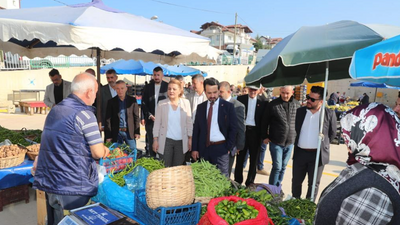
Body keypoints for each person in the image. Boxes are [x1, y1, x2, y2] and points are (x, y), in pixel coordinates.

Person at [33, 72, 110, 225]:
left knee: (56, 221)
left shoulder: (55, 110)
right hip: (73, 186)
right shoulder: (85, 114)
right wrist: (105, 150)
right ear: (89, 92)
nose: (95, 96)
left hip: (51, 182)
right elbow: (97, 152)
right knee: (74, 221)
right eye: (95, 92)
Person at [315, 103, 400, 224]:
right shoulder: (369, 168)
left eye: (349, 133)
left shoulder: (373, 192)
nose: (346, 141)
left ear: (367, 136)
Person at [291, 86, 337, 199]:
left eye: (312, 99)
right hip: (300, 153)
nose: (308, 101)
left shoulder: (329, 114)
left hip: (317, 155)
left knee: (313, 184)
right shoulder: (300, 112)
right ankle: (294, 203)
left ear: (321, 101)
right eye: (308, 97)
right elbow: (296, 129)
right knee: (296, 181)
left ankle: (308, 206)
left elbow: (332, 134)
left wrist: (322, 145)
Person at [191, 78, 237, 177]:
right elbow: (196, 129)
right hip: (204, 149)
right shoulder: (201, 107)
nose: (212, 96)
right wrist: (194, 149)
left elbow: (233, 129)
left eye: (215, 92)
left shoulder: (228, 107)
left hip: (221, 149)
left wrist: (228, 147)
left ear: (219, 91)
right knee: (205, 178)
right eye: (209, 93)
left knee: (222, 179)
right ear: (205, 92)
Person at [262, 86, 300, 186]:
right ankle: (272, 190)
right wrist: (264, 136)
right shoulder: (273, 105)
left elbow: (299, 122)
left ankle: (278, 187)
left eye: (287, 93)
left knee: (283, 166)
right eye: (283, 93)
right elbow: (265, 122)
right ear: (280, 91)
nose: (285, 95)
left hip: (290, 142)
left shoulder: (297, 104)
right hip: (276, 141)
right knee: (277, 166)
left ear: (292, 92)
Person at [152, 79, 192, 167]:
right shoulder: (161, 104)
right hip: (166, 141)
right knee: (165, 167)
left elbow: (189, 122)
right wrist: (155, 140)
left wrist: (190, 138)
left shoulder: (186, 103)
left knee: (177, 168)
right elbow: (157, 123)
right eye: (169, 89)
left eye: (174, 89)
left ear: (180, 90)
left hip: (181, 142)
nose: (171, 91)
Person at [235, 85, 267, 186]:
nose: (253, 91)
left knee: (254, 159)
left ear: (259, 90)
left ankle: (250, 182)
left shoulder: (264, 101)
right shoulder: (241, 99)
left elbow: (265, 120)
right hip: (243, 132)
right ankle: (237, 181)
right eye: (251, 89)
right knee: (240, 158)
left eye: (255, 90)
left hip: (256, 133)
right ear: (248, 89)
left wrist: (264, 135)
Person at [104, 80, 140, 152]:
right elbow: (108, 120)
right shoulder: (111, 102)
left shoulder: (132, 100)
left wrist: (137, 132)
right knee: (117, 155)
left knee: (132, 153)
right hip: (117, 133)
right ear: (115, 89)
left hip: (129, 132)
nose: (120, 91)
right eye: (118, 88)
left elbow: (136, 117)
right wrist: (108, 135)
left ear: (126, 88)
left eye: (122, 88)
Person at [219, 81, 245, 176]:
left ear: (229, 91)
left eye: (221, 92)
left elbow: (241, 127)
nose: (219, 94)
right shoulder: (216, 103)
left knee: (225, 174)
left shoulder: (238, 106)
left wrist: (239, 146)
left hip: (230, 146)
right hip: (216, 145)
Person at [142, 66, 168, 157]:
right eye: (155, 75)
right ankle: (153, 160)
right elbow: (144, 103)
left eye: (158, 75)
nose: (156, 77)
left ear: (162, 75)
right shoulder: (147, 87)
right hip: (151, 120)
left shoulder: (167, 86)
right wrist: (149, 115)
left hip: (164, 121)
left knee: (164, 144)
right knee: (151, 142)